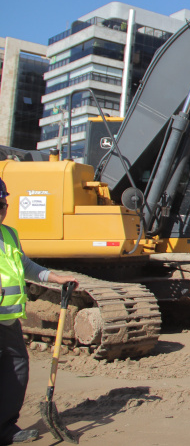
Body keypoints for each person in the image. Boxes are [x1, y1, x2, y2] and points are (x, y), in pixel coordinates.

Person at [0, 177, 77, 445]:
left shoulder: (8, 234)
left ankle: (5, 428)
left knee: (16, 368)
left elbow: (25, 266)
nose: (2, 210)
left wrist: (55, 278)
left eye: (3, 204)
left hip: (8, 319)